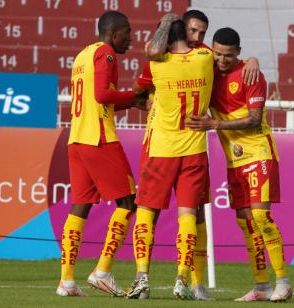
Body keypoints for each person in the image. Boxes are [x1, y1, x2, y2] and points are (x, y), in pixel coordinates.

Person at [142, 10, 262, 300]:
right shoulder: (163, 60)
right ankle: (144, 276)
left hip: (193, 146)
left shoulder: (205, 56)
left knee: (195, 214)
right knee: (153, 213)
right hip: (159, 144)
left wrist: (253, 61)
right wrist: (149, 102)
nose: (198, 38)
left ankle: (194, 283)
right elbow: (140, 91)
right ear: (183, 31)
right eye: (193, 32)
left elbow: (229, 59)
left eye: (202, 33)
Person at [187, 27, 292, 303]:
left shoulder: (251, 74)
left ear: (239, 53)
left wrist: (214, 124)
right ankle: (261, 285)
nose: (222, 60)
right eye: (218, 54)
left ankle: (283, 281)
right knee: (245, 223)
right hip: (234, 159)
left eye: (228, 56)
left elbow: (254, 119)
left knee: (261, 217)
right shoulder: (207, 65)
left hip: (259, 153)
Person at [124, 19, 214, 301]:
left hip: (162, 148)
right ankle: (181, 279)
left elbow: (151, 50)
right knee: (187, 214)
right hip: (194, 148)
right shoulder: (205, 57)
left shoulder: (157, 64)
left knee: (147, 212)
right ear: (187, 35)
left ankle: (142, 277)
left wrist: (164, 22)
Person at [56, 10, 143, 297]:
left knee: (80, 206)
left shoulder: (82, 55)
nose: (131, 37)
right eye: (127, 31)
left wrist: (131, 103)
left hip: (77, 139)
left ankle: (66, 280)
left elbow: (98, 99)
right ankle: (102, 271)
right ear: (113, 32)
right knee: (129, 202)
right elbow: (103, 96)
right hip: (99, 138)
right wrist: (135, 96)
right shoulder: (106, 53)